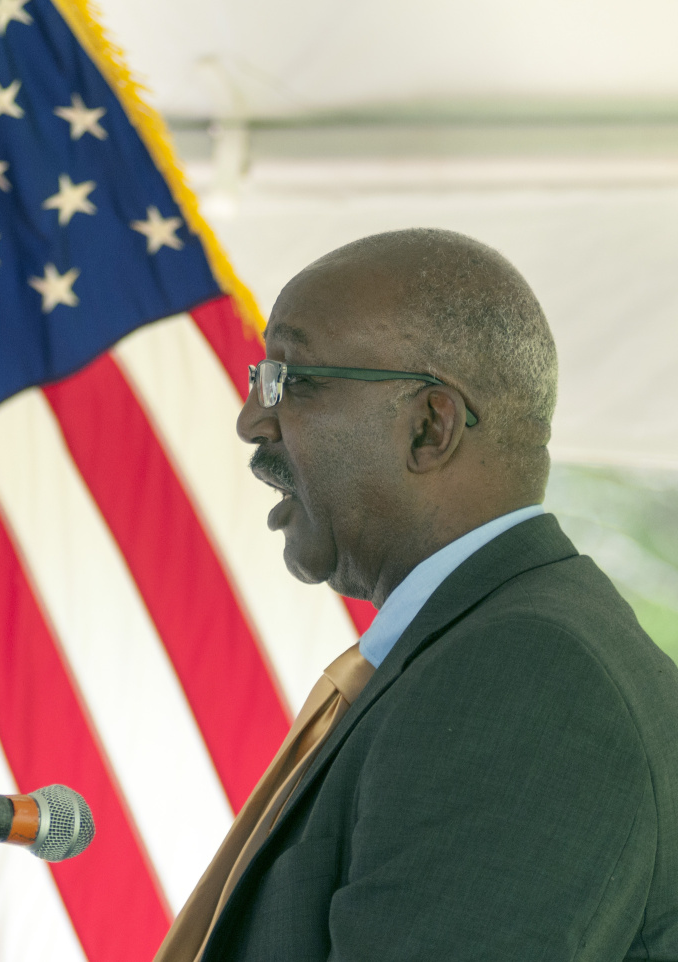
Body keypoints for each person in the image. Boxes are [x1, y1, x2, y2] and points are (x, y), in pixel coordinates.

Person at [154, 228, 678, 961]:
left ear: (429, 428)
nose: (252, 420)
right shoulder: (489, 647)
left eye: (291, 380)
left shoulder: (523, 676)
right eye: (258, 380)